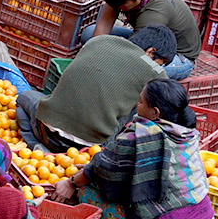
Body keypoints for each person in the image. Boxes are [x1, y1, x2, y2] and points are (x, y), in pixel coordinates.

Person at [49, 79, 215, 219]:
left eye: (141, 101)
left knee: (85, 190)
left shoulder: (139, 137)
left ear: (154, 112)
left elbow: (100, 169)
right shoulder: (187, 134)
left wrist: (71, 183)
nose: (137, 104)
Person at [15, 27, 173, 152]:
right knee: (141, 102)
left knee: (23, 98)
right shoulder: (156, 73)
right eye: (161, 61)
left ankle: (35, 145)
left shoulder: (101, 40)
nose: (160, 66)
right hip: (93, 148)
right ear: (150, 51)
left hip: (46, 131)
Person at [83, 0, 199, 80]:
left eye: (121, 5)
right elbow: (103, 25)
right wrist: (95, 53)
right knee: (90, 34)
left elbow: (134, 54)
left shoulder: (155, 12)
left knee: (134, 70)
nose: (118, 7)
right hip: (146, 40)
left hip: (177, 57)